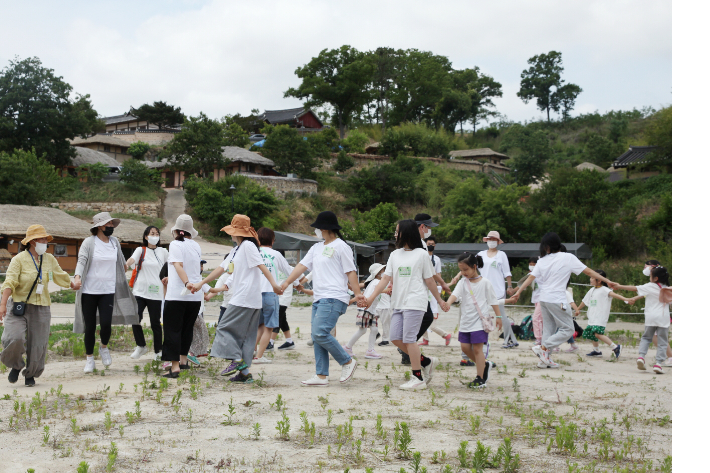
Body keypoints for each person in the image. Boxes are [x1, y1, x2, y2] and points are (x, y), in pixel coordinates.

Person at [364, 220, 450, 390]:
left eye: (397, 231)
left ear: (406, 232)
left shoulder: (422, 254)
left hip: (415, 302)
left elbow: (429, 280)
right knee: (396, 337)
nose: (395, 235)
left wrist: (439, 300)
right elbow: (385, 279)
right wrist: (371, 297)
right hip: (398, 302)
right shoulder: (395, 255)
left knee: (410, 339)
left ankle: (417, 378)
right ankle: (425, 361)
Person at [279, 211, 362, 387]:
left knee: (320, 332)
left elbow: (350, 272)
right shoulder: (316, 248)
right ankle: (321, 375)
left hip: (334, 297)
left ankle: (347, 361)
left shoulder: (341, 246)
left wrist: (358, 294)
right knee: (317, 336)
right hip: (319, 297)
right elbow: (301, 266)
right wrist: (287, 282)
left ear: (323, 228)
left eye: (317, 228)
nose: (316, 231)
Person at [512, 232, 617, 369]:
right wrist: (607, 281)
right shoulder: (567, 257)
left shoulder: (542, 260)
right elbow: (589, 272)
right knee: (568, 329)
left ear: (547, 246)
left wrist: (518, 292)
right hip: (557, 299)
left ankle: (544, 360)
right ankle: (543, 348)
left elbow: (531, 278)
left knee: (548, 329)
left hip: (543, 299)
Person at [201, 215, 282, 383]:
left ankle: (237, 360)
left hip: (245, 297)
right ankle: (245, 374)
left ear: (237, 232)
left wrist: (274, 284)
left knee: (223, 327)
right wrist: (202, 283)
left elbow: (261, 266)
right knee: (245, 336)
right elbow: (222, 269)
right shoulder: (237, 249)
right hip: (248, 298)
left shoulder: (247, 246)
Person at [0, 225, 73, 386]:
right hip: (19, 306)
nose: (45, 242)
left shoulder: (49, 259)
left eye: (46, 239)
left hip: (41, 308)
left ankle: (30, 374)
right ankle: (16, 365)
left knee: (38, 344)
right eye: (42, 239)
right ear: (32, 242)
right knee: (14, 337)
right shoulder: (18, 259)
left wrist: (72, 283)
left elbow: (60, 275)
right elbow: (10, 281)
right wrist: (3, 304)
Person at [72, 213, 139, 374]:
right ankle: (89, 359)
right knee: (90, 326)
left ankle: (103, 347)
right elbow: (81, 261)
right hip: (89, 290)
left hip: (108, 290)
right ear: (100, 226)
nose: (111, 227)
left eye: (112, 224)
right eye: (108, 224)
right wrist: (77, 276)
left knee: (106, 324)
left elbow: (121, 261)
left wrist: (125, 268)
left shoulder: (114, 242)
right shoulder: (89, 243)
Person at [445, 253, 502, 388]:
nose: (463, 272)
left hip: (479, 322)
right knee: (465, 348)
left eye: (466, 269)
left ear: (474, 266)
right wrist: (447, 303)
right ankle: (484, 364)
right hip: (465, 321)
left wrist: (499, 317)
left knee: (477, 350)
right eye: (461, 270)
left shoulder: (485, 283)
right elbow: (455, 295)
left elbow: (493, 301)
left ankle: (480, 378)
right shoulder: (463, 282)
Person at [160, 215, 204, 378]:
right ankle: (184, 360)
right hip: (194, 297)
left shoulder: (175, 244)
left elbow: (178, 265)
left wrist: (186, 283)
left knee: (172, 330)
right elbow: (194, 269)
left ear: (177, 231)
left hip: (178, 294)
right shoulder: (196, 246)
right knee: (186, 330)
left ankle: (175, 366)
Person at [615, 266, 671, 374]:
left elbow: (634, 288)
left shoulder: (650, 286)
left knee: (646, 338)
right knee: (662, 342)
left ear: (655, 278)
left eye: (651, 276)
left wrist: (619, 286)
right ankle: (658, 364)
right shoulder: (668, 288)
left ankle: (641, 357)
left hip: (650, 317)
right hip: (663, 318)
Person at [125, 226, 169, 361]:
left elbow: (171, 266)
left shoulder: (163, 252)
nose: (155, 236)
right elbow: (132, 259)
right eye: (152, 233)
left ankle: (158, 351)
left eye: (157, 234)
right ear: (146, 236)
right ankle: (141, 345)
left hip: (156, 292)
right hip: (140, 291)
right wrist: (126, 265)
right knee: (135, 317)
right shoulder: (140, 250)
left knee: (155, 323)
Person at [252, 227, 294, 365]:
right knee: (268, 327)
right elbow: (289, 271)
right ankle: (259, 356)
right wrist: (299, 283)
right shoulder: (275, 254)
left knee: (258, 326)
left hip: (255, 294)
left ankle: (251, 354)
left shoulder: (254, 252)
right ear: (273, 240)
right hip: (270, 293)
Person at [574, 269, 629, 358]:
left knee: (597, 334)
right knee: (592, 334)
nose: (590, 279)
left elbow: (615, 295)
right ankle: (596, 351)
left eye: (592, 277)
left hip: (600, 317)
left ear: (599, 280)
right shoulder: (592, 290)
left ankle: (615, 347)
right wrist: (578, 309)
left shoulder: (605, 290)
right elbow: (584, 301)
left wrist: (626, 299)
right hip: (592, 316)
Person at [477, 231, 517, 349]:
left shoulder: (501, 255)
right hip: (483, 288)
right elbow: (472, 266)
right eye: (490, 239)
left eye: (494, 240)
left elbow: (507, 272)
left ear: (498, 242)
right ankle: (484, 338)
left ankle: (508, 339)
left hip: (497, 289)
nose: (491, 242)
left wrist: (509, 286)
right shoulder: (481, 254)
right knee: (483, 314)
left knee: (501, 315)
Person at [343, 263, 386, 359]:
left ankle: (370, 350)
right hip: (366, 309)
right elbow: (373, 293)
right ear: (378, 273)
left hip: (371, 310)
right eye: (383, 271)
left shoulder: (374, 282)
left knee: (374, 329)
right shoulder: (375, 282)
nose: (384, 272)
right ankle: (347, 347)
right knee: (362, 330)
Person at [419, 236, 452, 347]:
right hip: (422, 287)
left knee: (429, 317)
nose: (430, 245)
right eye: (429, 243)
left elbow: (437, 275)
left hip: (432, 288)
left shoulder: (436, 259)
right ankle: (425, 339)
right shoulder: (421, 256)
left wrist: (440, 287)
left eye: (433, 244)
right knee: (421, 315)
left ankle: (445, 335)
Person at [641, 260, 672, 365]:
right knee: (661, 339)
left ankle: (670, 357)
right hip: (663, 316)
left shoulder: (652, 284)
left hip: (653, 316)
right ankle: (660, 362)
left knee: (654, 338)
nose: (645, 269)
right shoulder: (664, 287)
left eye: (648, 267)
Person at [187, 260, 213, 366]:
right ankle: (190, 354)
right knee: (199, 334)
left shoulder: (201, 280)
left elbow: (207, 293)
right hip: (194, 311)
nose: (201, 268)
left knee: (198, 334)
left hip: (199, 310)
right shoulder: (189, 280)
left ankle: (191, 354)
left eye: (202, 266)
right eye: (199, 265)